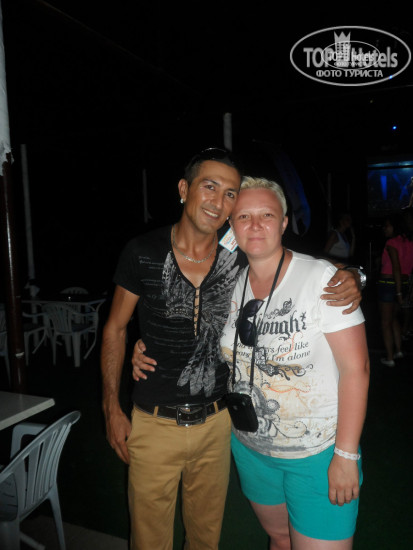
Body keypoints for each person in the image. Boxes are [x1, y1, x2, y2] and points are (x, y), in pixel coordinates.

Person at [102, 147, 363, 550]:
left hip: (220, 423)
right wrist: (112, 404)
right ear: (184, 189)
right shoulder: (147, 252)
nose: (218, 201)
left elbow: (299, 265)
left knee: (206, 538)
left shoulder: (238, 259)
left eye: (229, 194)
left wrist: (353, 274)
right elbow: (117, 328)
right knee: (150, 539)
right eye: (210, 187)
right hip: (163, 424)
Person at [218, 176, 370, 550]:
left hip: (317, 454)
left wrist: (346, 454)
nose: (255, 225)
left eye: (267, 215)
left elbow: (356, 370)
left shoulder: (321, 278)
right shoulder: (228, 283)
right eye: (243, 216)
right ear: (232, 226)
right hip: (251, 447)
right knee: (281, 538)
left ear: (284, 222)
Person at [378, 209, 413, 367]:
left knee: (386, 322)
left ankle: (390, 358)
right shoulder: (410, 242)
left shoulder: (392, 243)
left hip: (389, 285)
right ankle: (398, 350)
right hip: (403, 284)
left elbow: (396, 267)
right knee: (394, 319)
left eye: (387, 226)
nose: (384, 228)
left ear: (395, 226)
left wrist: (398, 292)